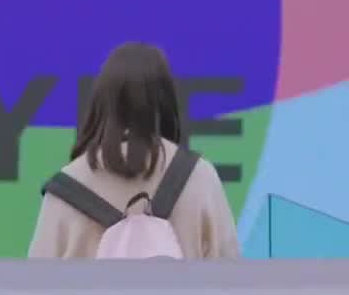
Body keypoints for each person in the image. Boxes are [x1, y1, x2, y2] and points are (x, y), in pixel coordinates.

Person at [28, 42, 240, 259]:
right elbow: (230, 270)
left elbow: (37, 276)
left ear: (101, 103)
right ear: (167, 102)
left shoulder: (66, 188)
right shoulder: (200, 177)